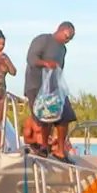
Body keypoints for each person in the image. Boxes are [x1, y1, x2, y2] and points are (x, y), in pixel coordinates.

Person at [24, 22, 77, 158]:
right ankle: (44, 147)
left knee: (65, 115)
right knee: (44, 116)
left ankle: (60, 149)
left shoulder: (63, 49)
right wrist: (46, 63)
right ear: (60, 30)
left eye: (70, 39)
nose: (67, 40)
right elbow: (31, 59)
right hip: (36, 84)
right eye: (67, 36)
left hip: (53, 86)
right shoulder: (43, 40)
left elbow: (61, 68)